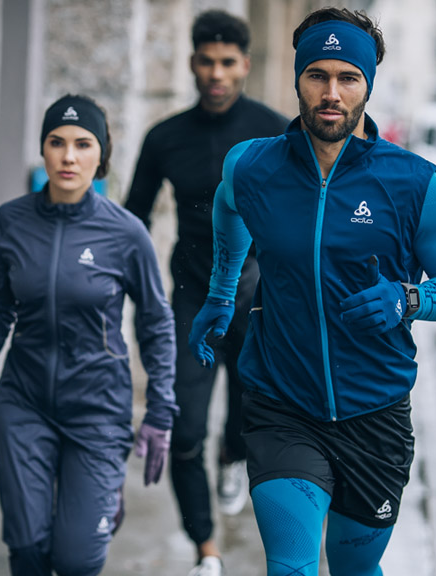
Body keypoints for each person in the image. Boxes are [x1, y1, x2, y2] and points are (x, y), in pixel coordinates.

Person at [187, 8, 436, 576]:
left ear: (367, 84)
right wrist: (222, 295)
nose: (331, 92)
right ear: (296, 80)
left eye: (347, 77)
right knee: (292, 567)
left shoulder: (415, 183)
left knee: (354, 570)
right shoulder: (254, 167)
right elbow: (229, 211)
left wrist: (408, 299)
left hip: (375, 413)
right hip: (281, 403)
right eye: (316, 75)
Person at [0, 94, 178, 576]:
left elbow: (156, 322)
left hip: (98, 408)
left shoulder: (126, 233)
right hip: (25, 400)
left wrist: (161, 408)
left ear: (102, 156)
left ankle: (98, 500)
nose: (68, 156)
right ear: (43, 149)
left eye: (83, 144)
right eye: (56, 142)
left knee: (77, 560)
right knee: (29, 549)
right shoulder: (10, 221)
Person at [123, 10, 287, 575]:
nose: (216, 73)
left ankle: (233, 457)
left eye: (227, 63)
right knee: (183, 429)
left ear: (244, 65)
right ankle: (205, 549)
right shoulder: (165, 137)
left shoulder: (272, 131)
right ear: (192, 63)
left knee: (247, 421)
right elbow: (133, 221)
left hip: (259, 302)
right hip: (191, 302)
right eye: (206, 61)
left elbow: (300, 218)